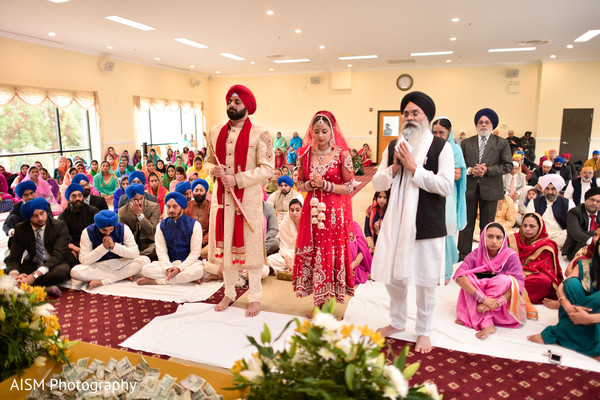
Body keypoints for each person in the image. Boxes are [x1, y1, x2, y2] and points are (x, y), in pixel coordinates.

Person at [371, 91, 453, 353]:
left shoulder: (442, 147)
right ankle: (396, 321)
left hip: (426, 223)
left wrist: (415, 168)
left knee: (425, 280)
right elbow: (378, 183)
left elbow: (445, 186)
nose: (410, 117)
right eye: (406, 113)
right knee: (394, 277)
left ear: (427, 117)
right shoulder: (394, 146)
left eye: (415, 112)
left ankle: (425, 330)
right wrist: (395, 167)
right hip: (396, 221)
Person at [204, 84, 274, 317]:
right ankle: (229, 292)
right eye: (229, 102)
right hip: (222, 201)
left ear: (247, 106)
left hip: (248, 202)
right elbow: (206, 161)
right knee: (227, 252)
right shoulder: (215, 131)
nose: (231, 106)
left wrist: (238, 179)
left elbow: (268, 169)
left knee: (252, 253)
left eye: (236, 102)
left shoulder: (261, 133)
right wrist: (213, 170)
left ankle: (255, 297)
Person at [292, 110, 355, 309]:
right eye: (317, 131)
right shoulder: (304, 155)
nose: (320, 136)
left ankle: (327, 304)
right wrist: (310, 185)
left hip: (334, 214)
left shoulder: (342, 155)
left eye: (324, 131)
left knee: (329, 254)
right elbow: (299, 185)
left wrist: (325, 186)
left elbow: (351, 186)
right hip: (310, 213)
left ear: (332, 132)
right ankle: (318, 303)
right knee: (314, 254)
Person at [527, 229, 600, 359]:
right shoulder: (587, 263)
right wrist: (566, 304)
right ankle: (580, 332)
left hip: (593, 317)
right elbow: (562, 285)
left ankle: (561, 331)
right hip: (575, 313)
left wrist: (590, 318)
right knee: (571, 284)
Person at [454, 223, 527, 339]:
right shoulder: (476, 253)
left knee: (504, 280)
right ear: (483, 237)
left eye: (499, 237)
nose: (494, 241)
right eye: (490, 236)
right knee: (467, 278)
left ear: (504, 239)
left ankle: (477, 318)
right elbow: (458, 276)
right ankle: (488, 323)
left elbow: (519, 283)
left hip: (499, 301)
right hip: (481, 296)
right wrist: (484, 299)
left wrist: (497, 302)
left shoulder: (510, 255)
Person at [458, 108, 513, 260]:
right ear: (476, 125)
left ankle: (486, 254)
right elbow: (460, 165)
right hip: (469, 188)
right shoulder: (467, 143)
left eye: (487, 122)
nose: (483, 125)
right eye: (480, 122)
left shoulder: (501, 143)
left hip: (491, 189)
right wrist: (471, 170)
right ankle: (464, 254)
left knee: (487, 225)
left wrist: (487, 169)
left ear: (492, 125)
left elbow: (507, 165)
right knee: (466, 223)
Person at [4, 198, 73, 296]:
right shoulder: (21, 228)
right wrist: (16, 276)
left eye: (42, 213)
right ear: (28, 218)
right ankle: (40, 288)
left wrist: (33, 276)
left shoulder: (58, 226)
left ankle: (28, 286)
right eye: (35, 216)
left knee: (62, 270)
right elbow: (14, 257)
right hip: (34, 263)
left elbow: (58, 256)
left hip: (55, 264)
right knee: (7, 271)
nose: (40, 218)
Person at [138, 192, 205, 285]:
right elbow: (161, 251)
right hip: (169, 263)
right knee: (146, 270)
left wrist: (180, 268)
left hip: (188, 264)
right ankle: (184, 278)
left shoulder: (194, 225)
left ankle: (155, 281)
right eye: (168, 207)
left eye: (174, 206)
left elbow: (195, 253)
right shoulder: (161, 226)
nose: (170, 210)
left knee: (198, 271)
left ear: (182, 206)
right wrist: (168, 268)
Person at [71, 210, 149, 289]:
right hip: (100, 266)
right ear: (98, 226)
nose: (108, 233)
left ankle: (102, 281)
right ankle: (122, 275)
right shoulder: (87, 232)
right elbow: (84, 260)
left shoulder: (123, 228)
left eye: (111, 229)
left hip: (121, 263)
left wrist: (114, 246)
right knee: (75, 272)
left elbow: (135, 253)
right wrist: (103, 248)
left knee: (145, 260)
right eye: (104, 230)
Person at [432, 116, 467, 283]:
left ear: (449, 132)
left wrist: (435, 172)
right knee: (431, 233)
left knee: (446, 232)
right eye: (435, 132)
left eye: (442, 132)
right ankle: (431, 269)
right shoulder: (429, 147)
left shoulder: (454, 149)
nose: (438, 136)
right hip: (431, 193)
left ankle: (445, 272)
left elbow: (458, 174)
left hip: (447, 195)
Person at [508, 212, 563, 304]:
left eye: (532, 226)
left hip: (530, 276)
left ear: (540, 227)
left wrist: (523, 274)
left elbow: (543, 269)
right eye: (524, 225)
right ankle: (510, 291)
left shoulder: (547, 245)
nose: (527, 229)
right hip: (511, 273)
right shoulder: (513, 239)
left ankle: (507, 293)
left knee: (543, 281)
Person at [526, 174, 571, 247]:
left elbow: (572, 225)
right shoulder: (534, 202)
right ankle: (548, 244)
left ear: (558, 189)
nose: (550, 192)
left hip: (560, 235)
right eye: (547, 189)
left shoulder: (568, 203)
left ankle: (546, 244)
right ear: (543, 189)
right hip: (540, 234)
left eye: (553, 189)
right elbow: (528, 221)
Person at [117, 183, 160, 260]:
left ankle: (137, 256)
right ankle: (136, 255)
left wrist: (140, 215)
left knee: (157, 247)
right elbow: (122, 234)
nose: (139, 202)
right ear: (130, 199)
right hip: (132, 243)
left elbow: (152, 229)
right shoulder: (122, 211)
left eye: (141, 198)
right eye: (135, 200)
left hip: (149, 242)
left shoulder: (154, 207)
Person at [58, 183, 99, 262]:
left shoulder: (93, 211)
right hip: (73, 247)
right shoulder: (63, 216)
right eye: (74, 196)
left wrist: (86, 250)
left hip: (92, 245)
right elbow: (63, 237)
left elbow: (97, 231)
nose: (77, 198)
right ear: (68, 198)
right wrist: (76, 249)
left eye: (79, 195)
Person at [562, 187, 600, 260]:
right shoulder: (575, 212)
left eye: (598, 201)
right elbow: (575, 232)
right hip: (577, 247)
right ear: (586, 199)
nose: (594, 203)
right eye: (592, 200)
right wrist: (593, 241)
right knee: (594, 232)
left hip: (597, 248)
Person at [267, 198, 302, 275]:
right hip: (288, 254)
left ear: (302, 210)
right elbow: (284, 247)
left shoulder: (308, 224)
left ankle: (293, 267)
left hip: (302, 254)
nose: (294, 213)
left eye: (297, 210)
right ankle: (292, 267)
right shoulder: (284, 224)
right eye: (292, 210)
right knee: (270, 259)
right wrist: (288, 262)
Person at [184, 179, 211, 259]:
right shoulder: (187, 206)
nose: (198, 192)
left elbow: (213, 229)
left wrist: (202, 242)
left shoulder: (211, 206)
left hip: (206, 242)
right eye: (196, 190)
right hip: (189, 241)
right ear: (193, 192)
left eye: (201, 190)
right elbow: (183, 226)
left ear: (206, 192)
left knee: (207, 251)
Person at [349, 221, 373, 285]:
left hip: (355, 263)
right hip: (338, 267)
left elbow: (363, 250)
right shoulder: (330, 228)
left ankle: (358, 273)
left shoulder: (354, 226)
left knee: (351, 245)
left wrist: (351, 267)